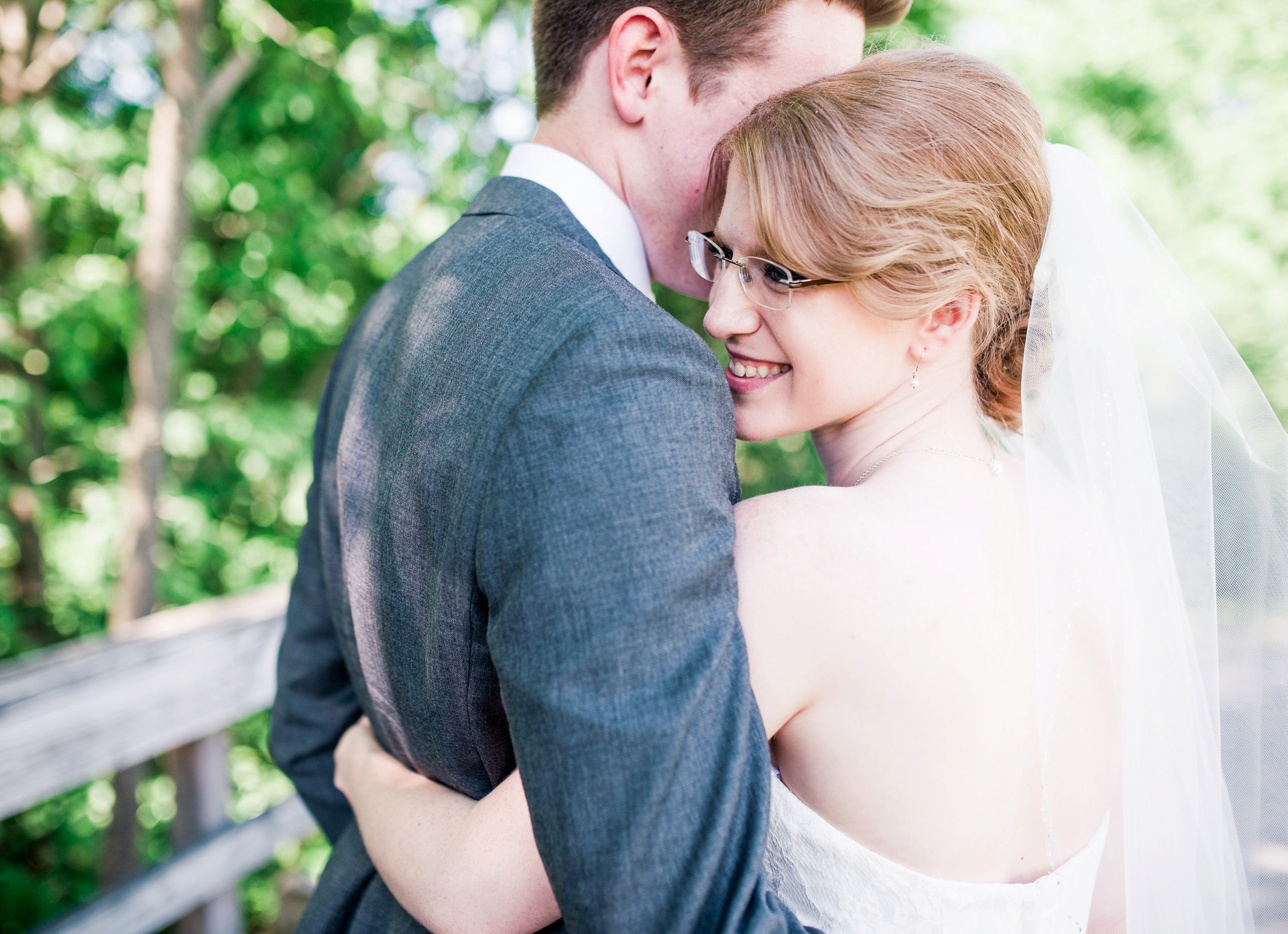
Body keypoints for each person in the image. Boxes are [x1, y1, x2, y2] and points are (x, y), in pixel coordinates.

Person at [332, 48, 1281, 933]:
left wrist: (367, 773)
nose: (722, 312)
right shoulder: (1081, 536)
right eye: (725, 257)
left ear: (942, 315)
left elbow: (478, 894)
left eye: (781, 275)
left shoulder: (787, 559)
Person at [268, 1, 912, 932]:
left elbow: (309, 715)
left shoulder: (399, 307)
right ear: (642, 64)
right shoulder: (622, 365)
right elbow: (670, 909)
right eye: (792, 116)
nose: (816, 165)